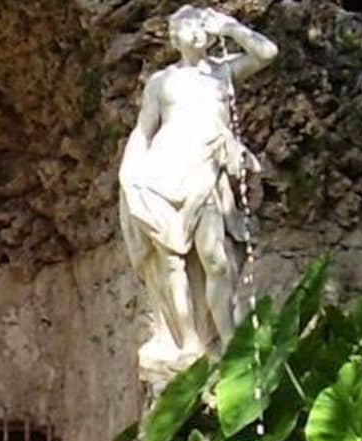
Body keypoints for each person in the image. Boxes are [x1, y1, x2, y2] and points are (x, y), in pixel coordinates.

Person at [119, 6, 277, 372]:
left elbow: (267, 53)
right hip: (164, 172)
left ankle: (228, 342)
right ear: (174, 35)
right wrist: (131, 176)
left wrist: (232, 27)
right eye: (188, 25)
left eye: (203, 25)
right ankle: (188, 341)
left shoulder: (224, 73)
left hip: (207, 173)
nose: (198, 31)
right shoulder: (162, 81)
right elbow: (144, 131)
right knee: (172, 263)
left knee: (217, 261)